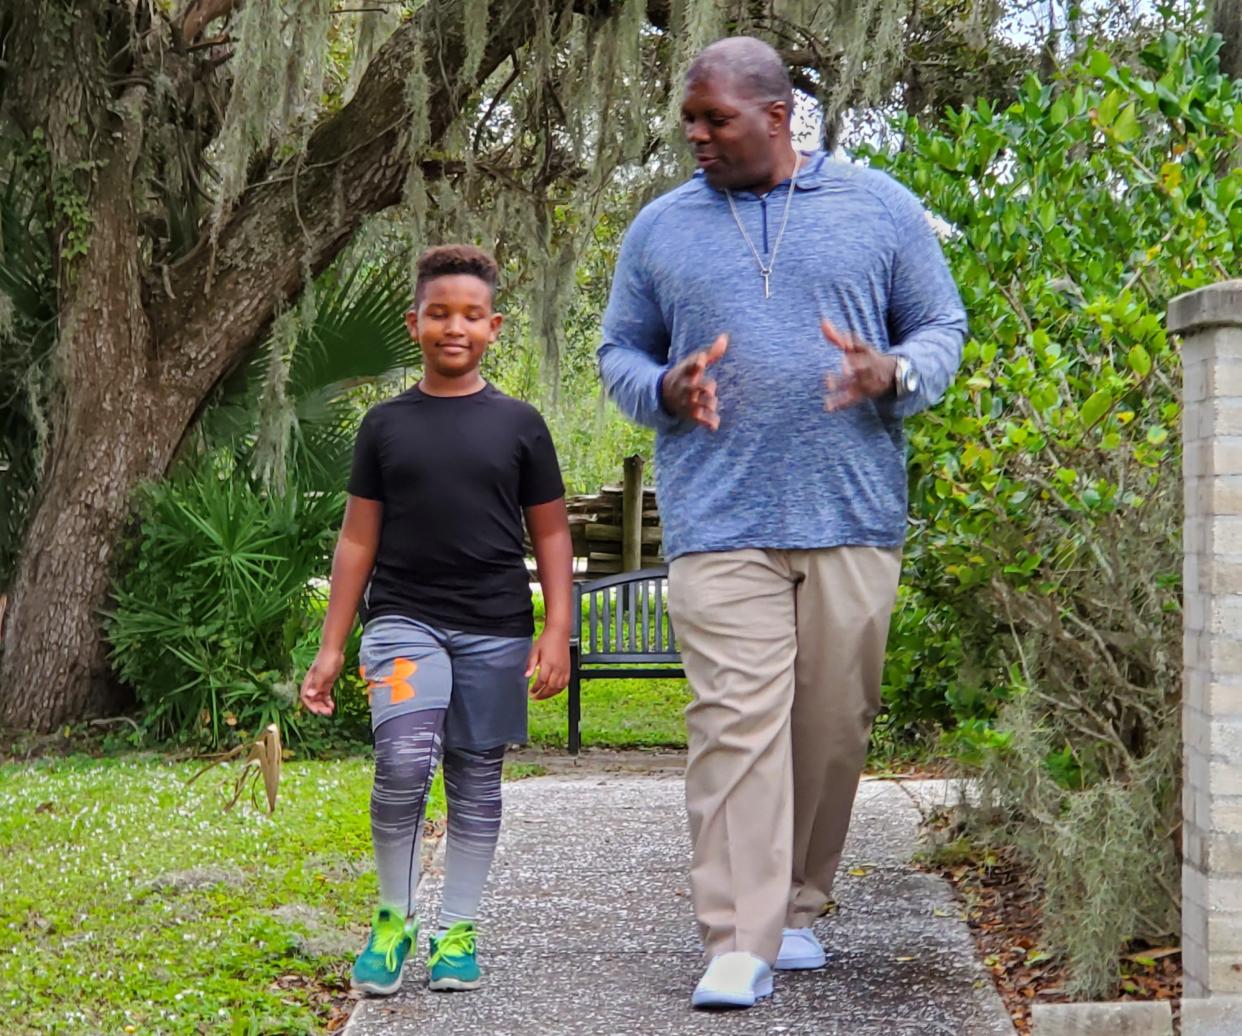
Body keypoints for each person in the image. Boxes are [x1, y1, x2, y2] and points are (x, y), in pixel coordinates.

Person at [598, 37, 967, 1009]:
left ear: (775, 116)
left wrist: (895, 371)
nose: (696, 134)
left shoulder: (878, 208)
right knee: (733, 722)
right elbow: (617, 355)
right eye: (689, 117)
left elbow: (942, 325)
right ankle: (735, 935)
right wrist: (664, 389)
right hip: (718, 517)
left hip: (853, 511)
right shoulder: (661, 229)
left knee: (832, 724)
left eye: (714, 118)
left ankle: (796, 902)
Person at [300, 244, 573, 996]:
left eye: (472, 316)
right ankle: (393, 920)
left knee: (476, 777)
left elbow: (550, 532)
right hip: (404, 621)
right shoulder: (385, 426)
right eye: (440, 314)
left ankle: (456, 930)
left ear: (494, 326)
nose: (455, 327)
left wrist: (557, 631)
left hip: (495, 625)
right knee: (402, 764)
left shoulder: (520, 423)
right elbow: (357, 538)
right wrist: (331, 646)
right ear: (414, 321)